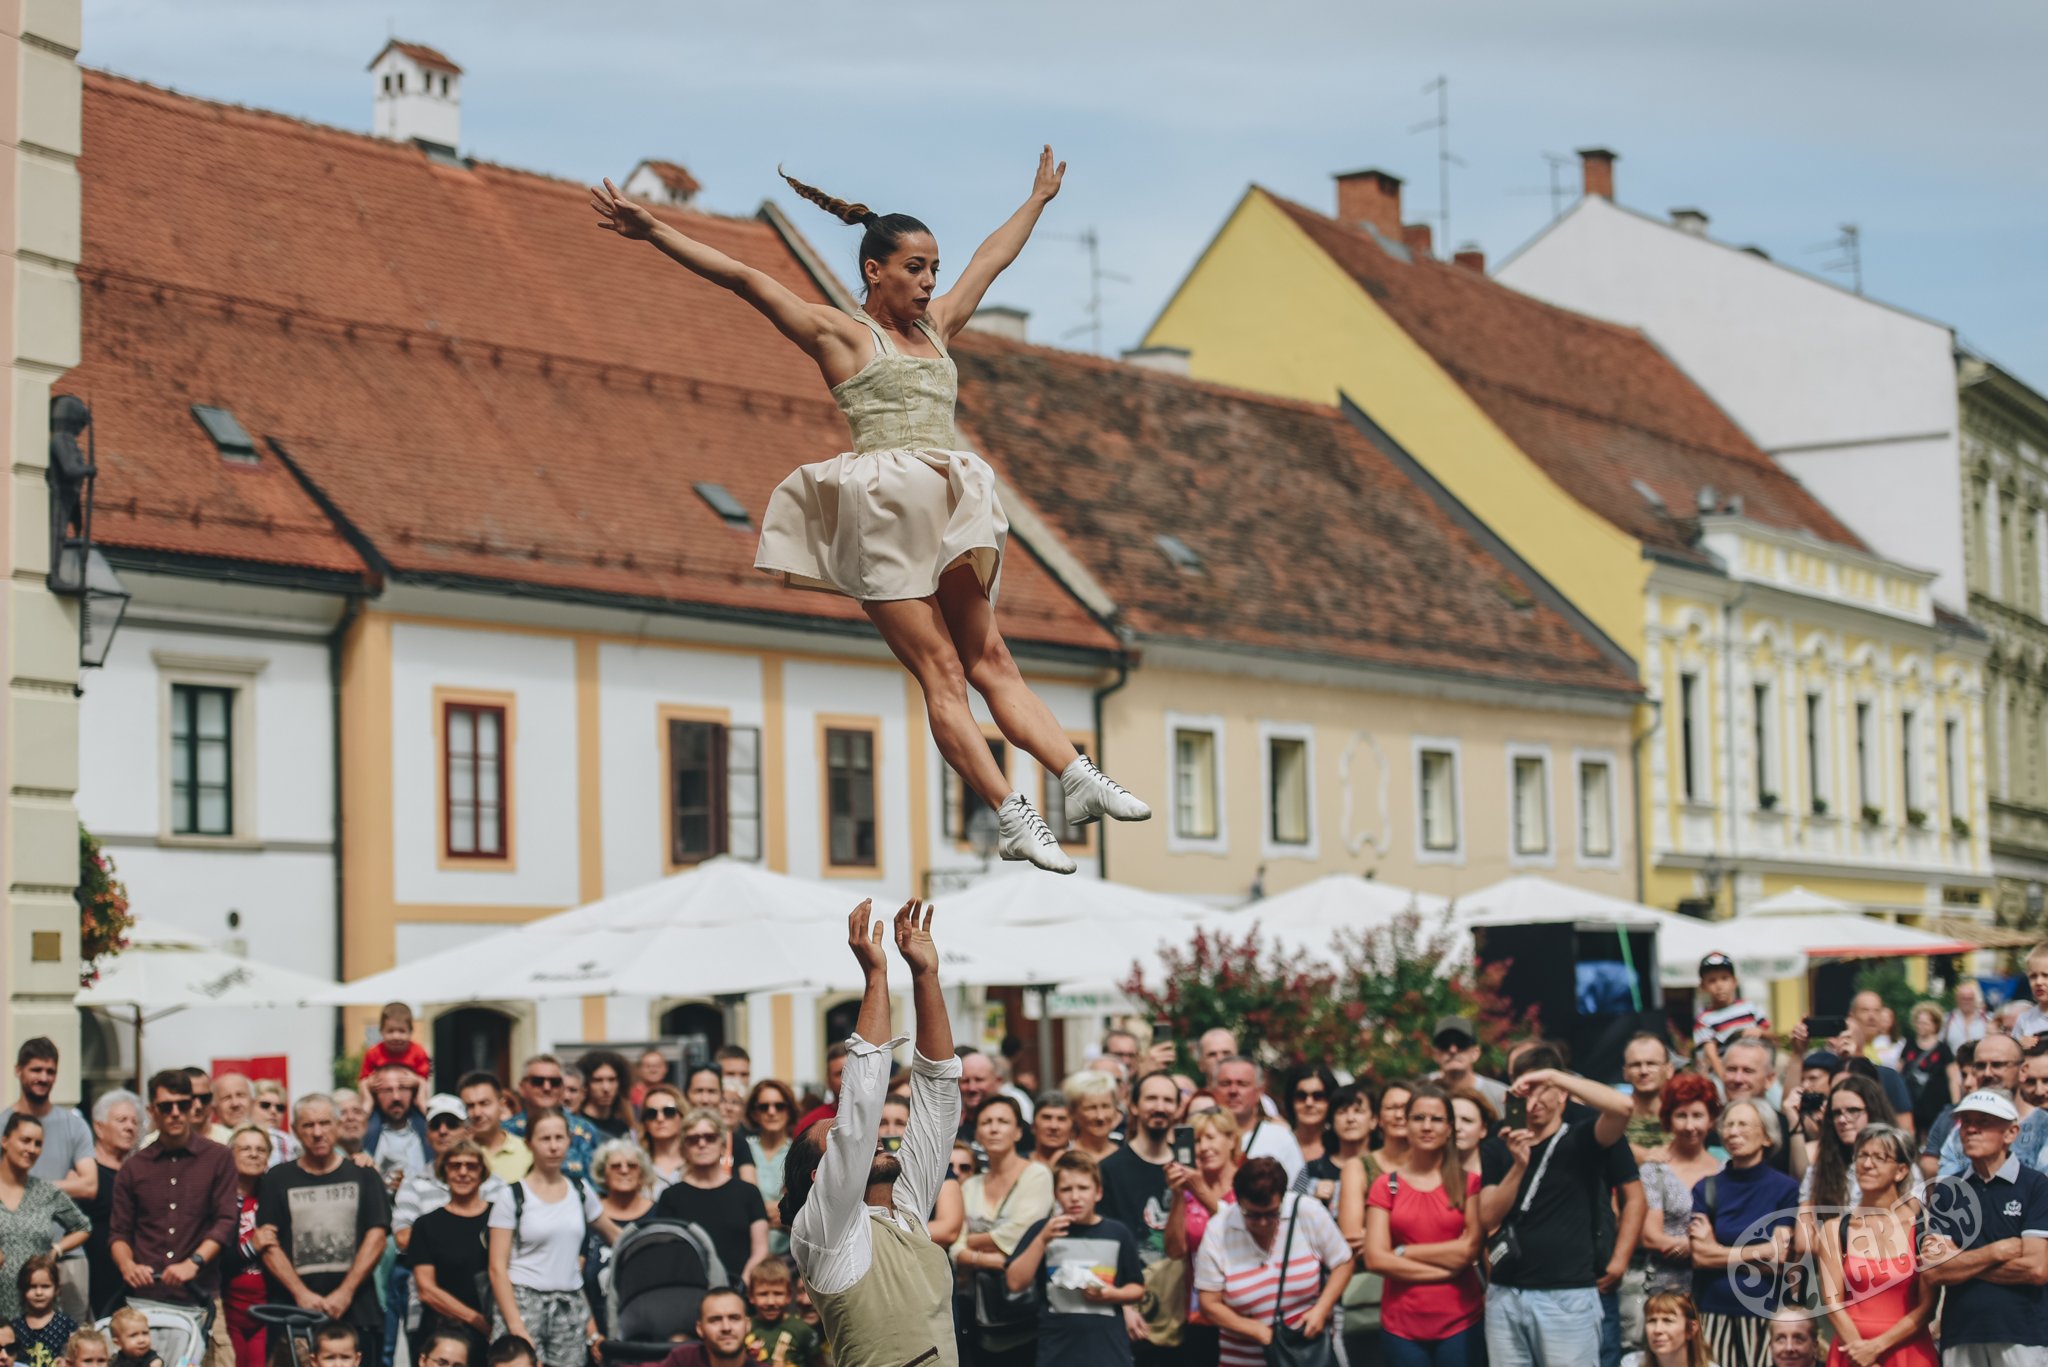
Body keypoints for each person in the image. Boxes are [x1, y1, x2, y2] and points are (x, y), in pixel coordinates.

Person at [592, 155, 1152, 874]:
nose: (929, 282)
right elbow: (743, 278)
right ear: (874, 272)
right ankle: (1011, 813)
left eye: (932, 268)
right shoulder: (843, 337)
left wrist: (1037, 200)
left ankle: (1075, 777)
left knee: (993, 659)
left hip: (946, 505)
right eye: (915, 268)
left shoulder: (942, 327)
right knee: (942, 669)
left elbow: (992, 259)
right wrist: (656, 230)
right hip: (884, 513)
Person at [780, 899, 960, 1367]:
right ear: (821, 1177)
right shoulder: (823, 1234)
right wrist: (876, 978)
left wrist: (925, 978)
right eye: (834, 1139)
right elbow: (858, 1117)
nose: (875, 1137)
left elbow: (938, 1094)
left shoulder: (908, 1211)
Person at [1478, 1047, 1633, 1366]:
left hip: (1567, 1295)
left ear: (1562, 1093)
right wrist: (1518, 1166)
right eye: (1525, 1090)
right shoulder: (1498, 1145)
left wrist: (1552, 1076)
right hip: (1506, 1294)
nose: (1533, 1101)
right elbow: (1487, 1216)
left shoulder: (1582, 1138)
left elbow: (1623, 1107)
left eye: (1541, 1091)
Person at [107, 1068, 238, 1367]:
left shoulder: (218, 1157)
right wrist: (127, 1265)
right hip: (144, 1301)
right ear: (152, 1110)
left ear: (193, 1105)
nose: (176, 1113)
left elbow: (225, 1221)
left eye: (183, 1104)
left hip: (201, 1296)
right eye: (166, 1107)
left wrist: (193, 1263)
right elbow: (119, 1232)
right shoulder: (134, 1167)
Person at [1919, 1087, 2048, 1363]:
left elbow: (2036, 1269)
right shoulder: (1948, 1190)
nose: (1971, 1130)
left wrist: (1959, 1262)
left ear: (2011, 1133)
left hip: (2023, 1334)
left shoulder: (2037, 1186)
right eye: (1966, 1122)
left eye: (1983, 1122)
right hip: (1960, 1333)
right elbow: (1932, 1273)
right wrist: (1997, 1252)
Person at [255, 1093, 390, 1345]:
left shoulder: (364, 1175)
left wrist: (345, 1292)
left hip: (357, 1310)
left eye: (325, 1123)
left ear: (338, 1126)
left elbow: (377, 1237)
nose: (317, 1132)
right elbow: (266, 1243)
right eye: (308, 1125)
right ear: (295, 1130)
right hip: (293, 1313)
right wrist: (301, 1294)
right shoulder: (277, 1178)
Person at [1363, 1084, 1484, 1365]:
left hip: (1461, 1321)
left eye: (1437, 1119)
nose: (1427, 1126)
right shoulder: (1386, 1185)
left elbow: (1468, 1252)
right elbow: (1376, 1258)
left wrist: (1405, 1251)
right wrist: (1446, 1270)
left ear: (1450, 1128)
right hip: (1401, 1325)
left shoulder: (1470, 1184)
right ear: (1405, 1124)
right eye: (1418, 1118)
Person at [486, 1110, 618, 1367]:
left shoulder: (580, 1190)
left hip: (568, 1304)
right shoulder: (512, 1195)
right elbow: (496, 1268)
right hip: (523, 1301)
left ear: (570, 1141)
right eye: (545, 1138)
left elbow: (615, 1235)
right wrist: (516, 1325)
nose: (554, 1145)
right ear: (529, 1144)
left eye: (560, 1137)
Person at [1194, 1157, 1352, 1367]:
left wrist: (1321, 1310)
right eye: (1252, 1215)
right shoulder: (1219, 1229)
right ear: (1239, 1202)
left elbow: (1343, 1262)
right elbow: (1209, 1303)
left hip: (1305, 1354)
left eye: (1271, 1214)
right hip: (1244, 1357)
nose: (1262, 1223)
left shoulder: (1306, 1212)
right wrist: (1256, 1331)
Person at [1005, 1151, 1145, 1367]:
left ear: (1098, 1192)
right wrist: (1042, 1240)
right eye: (1066, 1189)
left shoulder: (1117, 1233)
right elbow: (1015, 1282)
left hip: (1109, 1351)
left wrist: (1113, 1294)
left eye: (1083, 1188)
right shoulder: (1044, 1230)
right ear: (1055, 1194)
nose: (1075, 1197)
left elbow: (1137, 1287)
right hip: (1057, 1350)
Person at [1688, 1098, 1798, 1367]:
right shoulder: (1707, 1188)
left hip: (1765, 1312)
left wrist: (1719, 1252)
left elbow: (1780, 1259)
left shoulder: (1786, 1189)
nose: (1733, 1132)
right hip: (1711, 1310)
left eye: (1743, 1124)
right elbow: (1700, 1257)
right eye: (1729, 1124)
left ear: (1768, 1137)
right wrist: (1762, 1250)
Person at [1814, 1125, 1934, 1367]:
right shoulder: (1835, 1229)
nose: (1867, 1165)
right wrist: (1861, 1354)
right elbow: (1832, 1302)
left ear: (1901, 1171)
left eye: (1879, 1158)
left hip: (1907, 1350)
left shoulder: (1922, 1228)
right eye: (1862, 1156)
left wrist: (1876, 1348)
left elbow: (1927, 1306)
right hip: (1851, 1351)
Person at [0, 1041, 96, 1322]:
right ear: (18, 1071)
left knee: (69, 1339)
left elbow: (90, 1186)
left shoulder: (73, 1124)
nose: (43, 1077)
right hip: (11, 1260)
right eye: (36, 1069)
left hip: (63, 1255)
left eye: (50, 1071)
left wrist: (35, 1190)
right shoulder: (4, 1121)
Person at [955, 1095, 1053, 1365]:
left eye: (1003, 1121)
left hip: (1024, 1309)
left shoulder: (1037, 1175)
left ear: (1019, 1131)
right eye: (987, 1122)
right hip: (976, 1311)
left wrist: (969, 1247)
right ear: (977, 1133)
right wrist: (986, 1258)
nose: (994, 1128)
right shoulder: (969, 1186)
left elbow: (1022, 1234)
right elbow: (953, 1242)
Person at [1636, 1073, 1722, 1348]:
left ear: (1711, 1120)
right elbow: (1651, 1237)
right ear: (1668, 1119)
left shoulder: (1723, 1170)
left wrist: (1694, 1249)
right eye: (1680, 1115)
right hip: (1663, 1289)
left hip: (1711, 1289)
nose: (1689, 1125)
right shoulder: (1654, 1169)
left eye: (1697, 1115)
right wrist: (1697, 1246)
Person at [651, 1109, 767, 1283]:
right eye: (693, 1139)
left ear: (722, 1146)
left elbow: (761, 1249)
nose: (702, 1143)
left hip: (740, 1291)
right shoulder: (671, 1197)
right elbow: (666, 1250)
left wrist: (745, 1281)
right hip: (689, 1290)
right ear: (683, 1148)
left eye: (710, 1137)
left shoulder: (748, 1193)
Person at [409, 1140, 495, 1363]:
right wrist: (476, 1320)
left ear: (482, 1172)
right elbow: (426, 1289)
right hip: (443, 1332)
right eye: (455, 1166)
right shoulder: (426, 1224)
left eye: (471, 1166)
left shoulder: (498, 1219)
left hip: (493, 1332)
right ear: (444, 1171)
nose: (463, 1172)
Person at [0, 1118, 90, 1323]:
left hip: (38, 1312)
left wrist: (56, 1250)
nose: (32, 1149)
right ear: (5, 1141)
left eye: (38, 1143)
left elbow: (83, 1226)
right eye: (25, 1140)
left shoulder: (45, 1192)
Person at [395, 1094, 509, 1252]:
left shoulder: (493, 1184)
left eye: (452, 1124)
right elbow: (402, 1238)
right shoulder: (412, 1184)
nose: (443, 1131)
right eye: (435, 1125)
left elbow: (505, 1236)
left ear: (469, 1132)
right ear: (427, 1135)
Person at [80, 1090, 139, 1319]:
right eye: (121, 1120)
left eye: (135, 1121)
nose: (130, 1127)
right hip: (95, 1268)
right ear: (99, 1127)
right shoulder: (85, 1172)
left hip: (133, 1271)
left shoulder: (138, 1170)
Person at [220, 1127, 273, 1367]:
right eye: (246, 1149)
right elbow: (220, 1255)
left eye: (261, 1149)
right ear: (230, 1155)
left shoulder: (273, 1197)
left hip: (267, 1308)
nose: (254, 1154)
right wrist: (253, 1247)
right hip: (229, 1306)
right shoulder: (219, 1199)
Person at [501, 1059, 599, 1183]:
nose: (547, 1087)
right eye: (538, 1081)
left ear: (562, 1088)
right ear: (522, 1088)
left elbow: (597, 1184)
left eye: (554, 1082)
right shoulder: (506, 1130)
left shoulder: (584, 1131)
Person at [1215, 1058, 1304, 1183]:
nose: (1233, 1091)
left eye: (1242, 1084)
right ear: (1214, 1089)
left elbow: (1298, 1189)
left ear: (1259, 1091)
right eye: (1225, 1084)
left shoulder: (1280, 1138)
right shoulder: (1200, 1138)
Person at [1693, 953, 1769, 1083]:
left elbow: (1772, 1037)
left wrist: (1760, 1032)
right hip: (1727, 1075)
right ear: (1703, 986)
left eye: (1724, 978)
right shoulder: (1704, 1020)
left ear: (1735, 981)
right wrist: (1727, 1081)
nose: (1719, 985)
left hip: (1756, 1071)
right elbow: (1712, 1056)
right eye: (1712, 980)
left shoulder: (1749, 1007)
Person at [745, 1080, 798, 1256]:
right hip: (748, 1248)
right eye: (763, 1107)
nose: (771, 1112)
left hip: (789, 1253)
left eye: (779, 1106)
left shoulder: (798, 1152)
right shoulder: (744, 1149)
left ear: (789, 1111)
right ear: (754, 1113)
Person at [650, 1287, 753, 1367]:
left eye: (734, 1318)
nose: (726, 1327)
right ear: (700, 1329)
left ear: (748, 1325)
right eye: (715, 1320)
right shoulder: (683, 1360)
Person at [456, 1077, 531, 1185]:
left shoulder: (527, 1151)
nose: (477, 1113)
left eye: (484, 1103)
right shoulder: (456, 1155)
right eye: (469, 1106)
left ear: (501, 1105)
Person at [745, 1259, 819, 1367]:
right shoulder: (745, 1328)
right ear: (751, 1296)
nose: (770, 1302)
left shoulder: (802, 1329)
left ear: (789, 1295)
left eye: (778, 1294)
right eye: (763, 1294)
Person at [1428, 1019, 1509, 1114]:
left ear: (1475, 1053)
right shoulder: (1422, 1093)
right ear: (1435, 1054)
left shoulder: (1500, 1096)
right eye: (1445, 1044)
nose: (1453, 1050)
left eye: (1461, 1043)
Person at [9, 1256, 75, 1367]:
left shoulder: (66, 1324)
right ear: (23, 1289)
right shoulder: (15, 1327)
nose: (39, 1292)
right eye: (32, 1286)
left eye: (45, 1286)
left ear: (57, 1289)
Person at [1620, 1291, 1711, 1367]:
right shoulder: (1632, 1363)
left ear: (1691, 1329)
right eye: (1652, 1320)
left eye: (1668, 1321)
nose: (1657, 1330)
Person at [1285, 1067, 1337, 1190]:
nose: (1309, 1103)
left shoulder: (1341, 1147)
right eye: (1301, 1096)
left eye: (1318, 1096)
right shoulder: (1279, 1142)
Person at [1623, 1034, 1674, 1158]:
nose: (1644, 1071)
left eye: (1651, 1064)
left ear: (1669, 1070)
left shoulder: (1684, 1114)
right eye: (1635, 1065)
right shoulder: (1615, 1115)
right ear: (1625, 1073)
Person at [358, 1004, 433, 1085]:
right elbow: (363, 1079)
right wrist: (370, 1082)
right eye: (390, 1031)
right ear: (381, 1031)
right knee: (364, 1085)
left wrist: (416, 1080)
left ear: (410, 1032)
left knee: (422, 1084)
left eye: (402, 1031)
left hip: (411, 1095)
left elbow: (425, 1078)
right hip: (381, 1094)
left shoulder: (418, 1052)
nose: (396, 1036)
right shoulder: (373, 1053)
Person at [1064, 1072, 1122, 1164]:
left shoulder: (1125, 1153)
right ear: (1073, 1112)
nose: (1100, 1116)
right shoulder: (1064, 1158)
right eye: (1091, 1108)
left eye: (1106, 1106)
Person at [575, 1052, 634, 1140]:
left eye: (612, 1080)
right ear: (585, 1085)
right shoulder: (576, 1125)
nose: (606, 1088)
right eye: (598, 1080)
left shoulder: (622, 1128)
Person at [639, 1085, 687, 1192]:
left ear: (682, 1116)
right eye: (652, 1113)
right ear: (645, 1122)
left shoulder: (697, 1164)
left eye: (668, 1112)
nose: (660, 1119)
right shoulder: (636, 1166)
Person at [251, 1082, 297, 1167]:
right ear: (250, 1106)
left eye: (279, 1107)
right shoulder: (233, 1135)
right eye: (265, 1105)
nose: (273, 1111)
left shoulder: (288, 1141)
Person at [1945, 979, 1991, 1052]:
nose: (1966, 1002)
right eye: (1963, 998)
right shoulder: (1946, 1020)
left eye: (1970, 998)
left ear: (1975, 999)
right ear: (1957, 999)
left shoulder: (1987, 1020)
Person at [1376, 1083, 1414, 1172]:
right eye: (1390, 1108)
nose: (1399, 1115)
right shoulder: (1360, 1167)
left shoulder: (1433, 1163)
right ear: (1378, 1118)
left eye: (1406, 1108)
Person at [2015, 944, 2048, 1043]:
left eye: (2045, 975)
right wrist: (2021, 1048)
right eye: (2033, 976)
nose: (2038, 982)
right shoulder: (2025, 1020)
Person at [1031, 1096, 1072, 1171]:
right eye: (1047, 1118)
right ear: (1033, 1126)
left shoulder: (1083, 1165)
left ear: (1072, 1129)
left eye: (1061, 1119)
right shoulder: (1016, 1165)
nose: (1054, 1126)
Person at [331, 1091, 370, 1158]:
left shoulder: (369, 1158)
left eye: (357, 1111)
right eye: (342, 1112)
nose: (351, 1117)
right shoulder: (325, 1161)